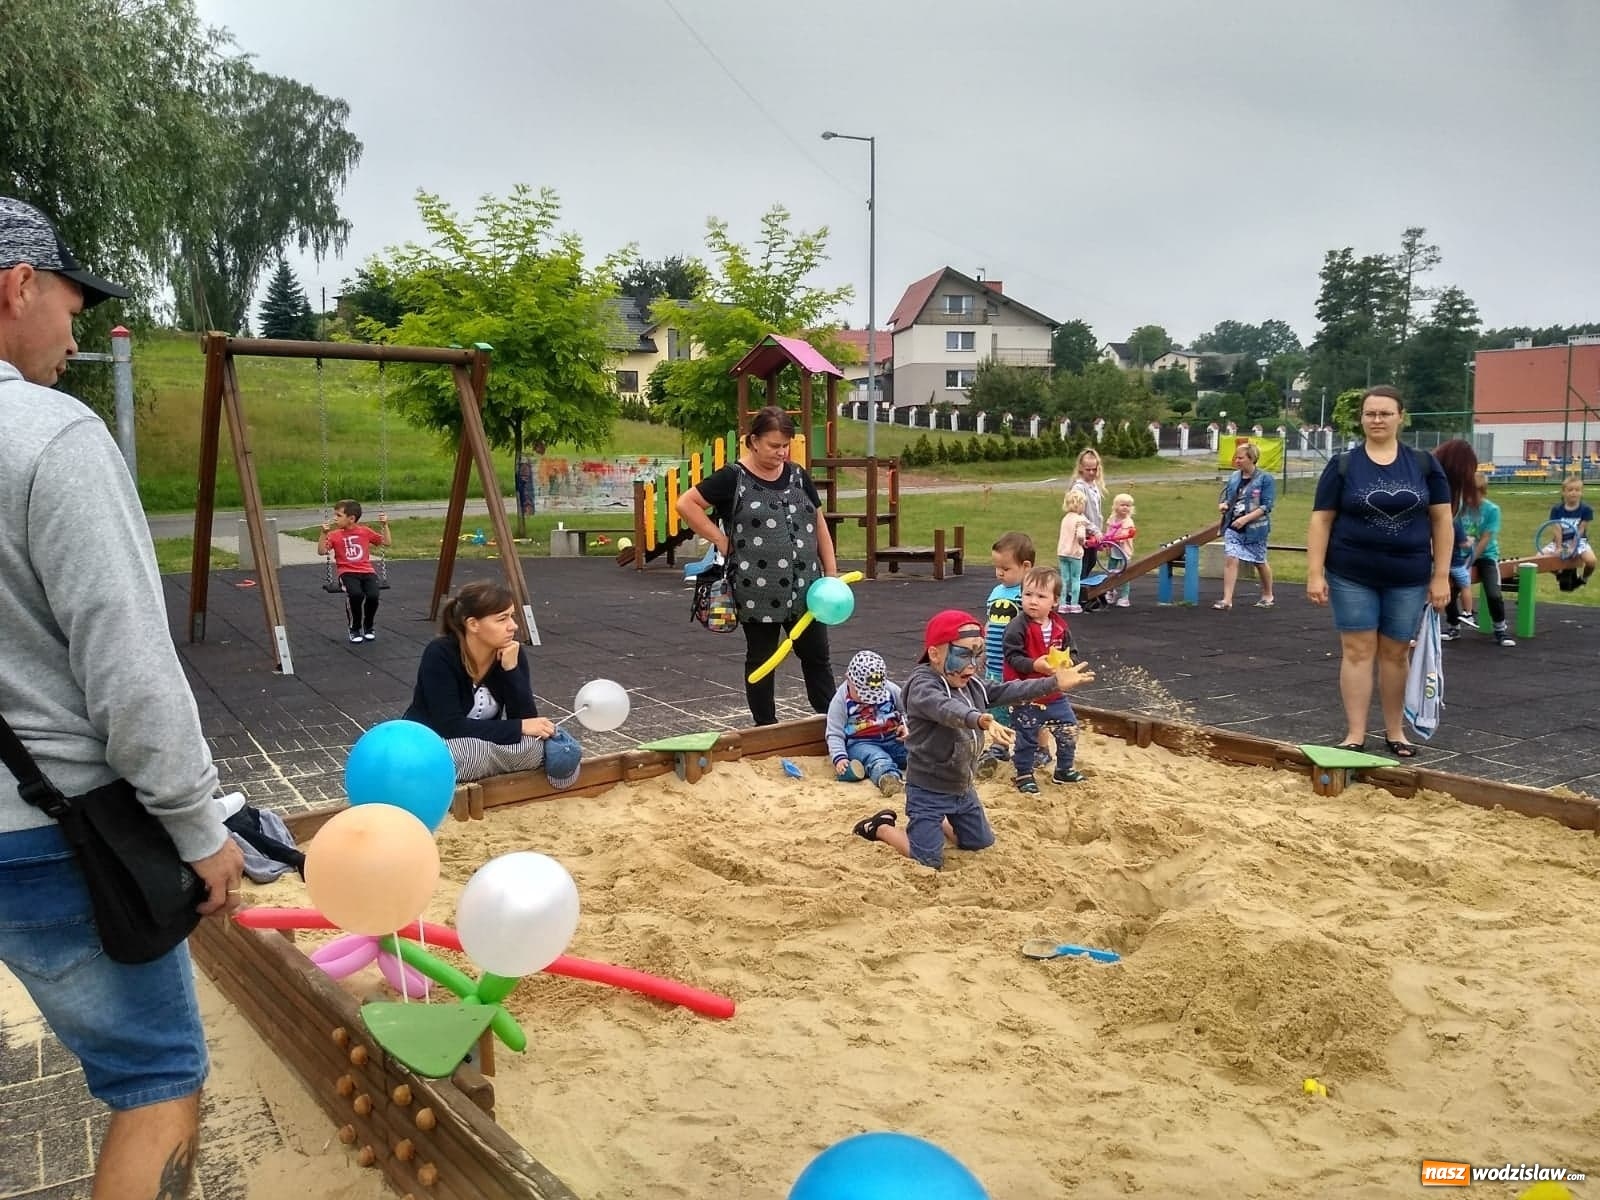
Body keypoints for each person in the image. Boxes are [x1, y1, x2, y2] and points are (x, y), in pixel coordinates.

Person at [0, 194, 244, 1198]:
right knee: (155, 1080)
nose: (76, 326)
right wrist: (199, 828)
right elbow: (130, 674)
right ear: (18, 286)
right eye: (68, 298)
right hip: (43, 834)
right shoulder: (49, 437)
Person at [851, 610, 1094, 869]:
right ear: (935, 654)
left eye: (978, 654)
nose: (972, 664)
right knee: (928, 861)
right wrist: (979, 719)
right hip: (928, 790)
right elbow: (945, 708)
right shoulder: (923, 686)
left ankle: (940, 822)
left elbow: (1007, 690)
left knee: (979, 842)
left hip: (962, 786)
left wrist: (1053, 682)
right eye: (964, 654)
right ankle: (881, 827)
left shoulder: (970, 684)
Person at [1305, 386, 1451, 757]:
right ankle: (1355, 734)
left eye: (1385, 413)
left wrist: (1441, 575)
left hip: (1408, 574)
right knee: (1357, 650)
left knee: (1395, 651)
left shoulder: (1423, 464)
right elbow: (1321, 520)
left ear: (1401, 416)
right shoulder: (1343, 465)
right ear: (1362, 419)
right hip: (1351, 572)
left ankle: (1395, 731)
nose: (1377, 420)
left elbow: (1442, 521)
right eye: (1370, 414)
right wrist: (1314, 572)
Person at [674, 406, 840, 726]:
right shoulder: (732, 477)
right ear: (753, 441)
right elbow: (686, 503)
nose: (781, 452)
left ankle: (828, 721)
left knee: (817, 655)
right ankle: (765, 727)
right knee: (762, 659)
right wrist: (720, 539)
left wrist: (831, 574)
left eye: (785, 445)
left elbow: (818, 524)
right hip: (757, 590)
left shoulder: (797, 475)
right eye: (774, 445)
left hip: (807, 588)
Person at [403, 580, 582, 788]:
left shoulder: (510, 652)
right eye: (502, 619)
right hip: (434, 744)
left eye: (512, 616)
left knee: (536, 745)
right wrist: (519, 727)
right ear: (473, 624)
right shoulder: (441, 654)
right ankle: (483, 767)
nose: (513, 625)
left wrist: (511, 671)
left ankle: (478, 770)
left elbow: (525, 718)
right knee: (467, 753)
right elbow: (450, 726)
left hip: (485, 745)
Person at [1002, 568, 1085, 792]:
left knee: (1069, 729)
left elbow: (1072, 651)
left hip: (1054, 694)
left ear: (1055, 601)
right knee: (1027, 736)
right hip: (1025, 694)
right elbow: (1012, 656)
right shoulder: (1017, 627)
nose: (1033, 601)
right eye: (1028, 594)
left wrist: (1068, 663)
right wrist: (1034, 665)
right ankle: (1024, 773)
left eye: (1041, 596)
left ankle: (1064, 769)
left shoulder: (1059, 626)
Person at [975, 531, 1034, 780]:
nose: (1000, 573)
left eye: (1006, 568)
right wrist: (982, 646)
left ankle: (1032, 746)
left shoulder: (1028, 595)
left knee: (1023, 707)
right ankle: (1000, 746)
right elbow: (991, 622)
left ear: (1025, 567)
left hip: (1016, 665)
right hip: (995, 661)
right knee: (997, 705)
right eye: (997, 567)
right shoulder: (997, 592)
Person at [825, 650, 907, 798]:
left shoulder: (890, 689)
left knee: (916, 752)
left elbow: (909, 710)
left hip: (893, 737)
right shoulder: (841, 700)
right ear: (849, 680)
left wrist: (907, 726)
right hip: (861, 743)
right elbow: (834, 733)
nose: (869, 700)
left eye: (874, 695)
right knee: (877, 758)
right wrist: (840, 757)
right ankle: (888, 779)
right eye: (864, 695)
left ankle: (936, 772)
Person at [317, 498, 392, 643]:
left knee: (373, 595)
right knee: (356, 595)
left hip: (367, 571)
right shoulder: (334, 535)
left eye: (339, 515)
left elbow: (387, 542)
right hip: (347, 573)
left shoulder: (365, 531)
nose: (335, 518)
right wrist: (323, 533)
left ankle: (368, 626)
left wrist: (385, 525)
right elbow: (321, 551)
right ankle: (355, 628)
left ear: (351, 518)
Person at [1214, 441, 1276, 610]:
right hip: (1233, 526)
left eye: (1241, 458)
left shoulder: (1265, 479)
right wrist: (1224, 505)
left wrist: (1246, 518)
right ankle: (1227, 600)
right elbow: (1227, 496)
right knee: (1231, 558)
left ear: (1252, 459)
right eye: (1236, 458)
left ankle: (1268, 594)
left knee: (1259, 561)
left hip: (1255, 529)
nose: (1237, 461)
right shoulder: (1234, 477)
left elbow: (1266, 506)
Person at [1458, 477, 1514, 646]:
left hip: (1486, 556)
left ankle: (1500, 629)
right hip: (1462, 555)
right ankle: (1453, 626)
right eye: (1466, 495)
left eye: (1473, 495)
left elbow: (1485, 539)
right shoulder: (1461, 508)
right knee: (1449, 588)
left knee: (1493, 593)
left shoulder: (1492, 510)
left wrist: (1472, 559)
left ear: (1482, 493)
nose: (1469, 499)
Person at [1542, 475, 1596, 590]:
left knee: (1591, 561)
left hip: (1578, 540)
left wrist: (1573, 547)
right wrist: (1558, 547)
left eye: (1577, 490)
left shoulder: (1586, 509)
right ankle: (1561, 574)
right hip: (1561, 540)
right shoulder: (1557, 509)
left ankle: (1583, 579)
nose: (1573, 493)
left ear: (1581, 492)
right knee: (1539, 560)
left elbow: (1581, 530)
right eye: (1570, 490)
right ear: (1563, 492)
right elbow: (1557, 529)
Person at [1066, 448, 1107, 578]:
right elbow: (1079, 514)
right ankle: (1076, 593)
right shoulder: (1079, 487)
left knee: (1092, 561)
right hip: (1082, 534)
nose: (1091, 472)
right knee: (1082, 564)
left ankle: (1081, 589)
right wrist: (1094, 530)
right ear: (1081, 468)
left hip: (1093, 534)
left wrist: (1099, 531)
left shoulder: (1094, 485)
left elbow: (1096, 511)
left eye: (1094, 469)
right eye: (1088, 469)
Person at [1101, 493, 1138, 607]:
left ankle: (1125, 597)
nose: (1125, 508)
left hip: (1124, 551)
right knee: (1111, 571)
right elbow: (1108, 531)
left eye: (1128, 505)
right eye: (1122, 505)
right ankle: (1111, 591)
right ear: (1116, 506)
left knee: (1125, 573)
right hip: (1113, 550)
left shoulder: (1128, 521)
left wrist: (1118, 537)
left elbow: (1127, 534)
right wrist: (1106, 542)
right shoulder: (1112, 519)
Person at [1057, 490, 1089, 614]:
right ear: (1080, 504)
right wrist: (1084, 542)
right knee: (1076, 578)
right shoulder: (1080, 520)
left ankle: (1063, 604)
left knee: (1064, 578)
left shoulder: (1065, 518)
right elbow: (1080, 536)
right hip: (1074, 553)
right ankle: (1074, 604)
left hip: (1062, 552)